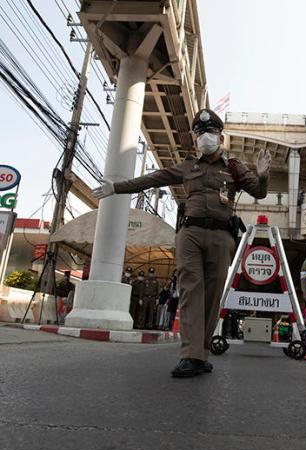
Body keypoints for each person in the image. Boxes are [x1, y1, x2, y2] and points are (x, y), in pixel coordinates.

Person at [92, 108, 271, 377]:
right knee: (191, 290)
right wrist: (116, 187)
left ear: (220, 138)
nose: (205, 137)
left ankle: (202, 354)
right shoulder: (188, 166)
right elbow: (153, 178)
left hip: (222, 237)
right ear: (194, 139)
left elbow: (259, 191)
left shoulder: (234, 167)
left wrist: (264, 174)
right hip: (191, 235)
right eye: (200, 133)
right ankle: (189, 355)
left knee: (212, 298)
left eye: (210, 132)